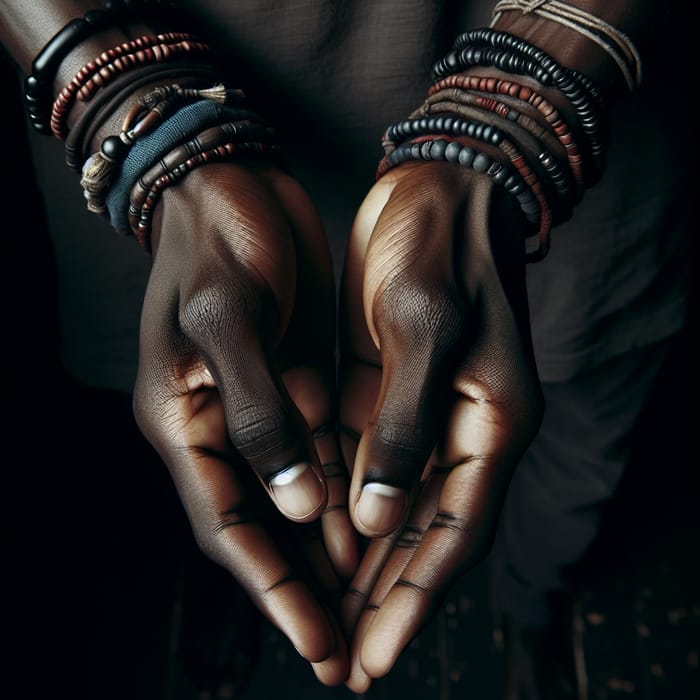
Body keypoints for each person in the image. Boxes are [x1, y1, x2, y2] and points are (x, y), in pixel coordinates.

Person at [1, 1, 693, 699]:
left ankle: (531, 606)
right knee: (212, 456)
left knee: (570, 470)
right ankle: (244, 599)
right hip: (166, 188)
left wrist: (518, 110)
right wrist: (138, 117)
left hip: (566, 153)